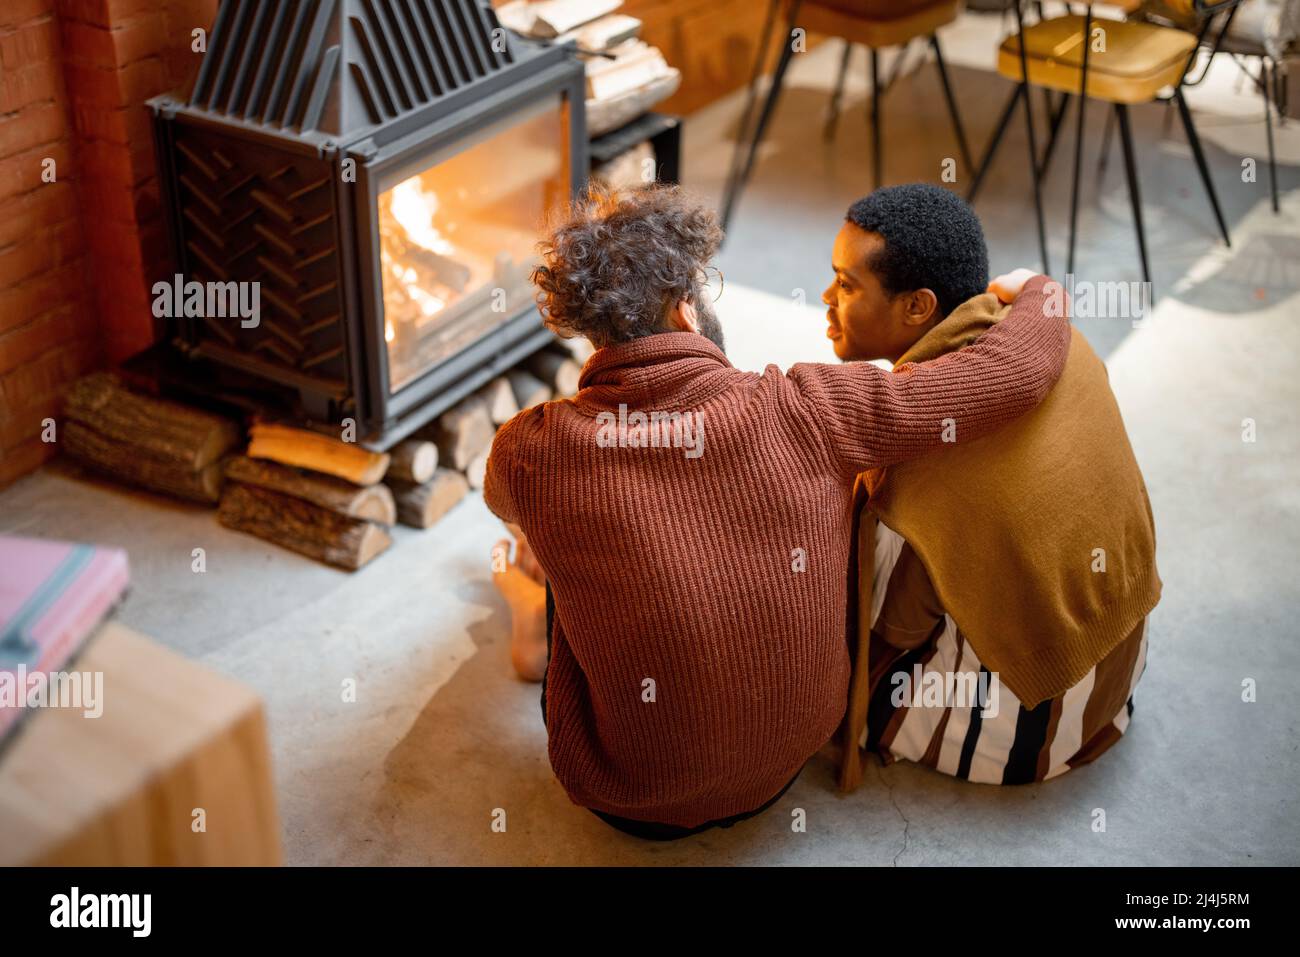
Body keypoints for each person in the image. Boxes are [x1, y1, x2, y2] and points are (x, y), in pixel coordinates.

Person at [484, 183, 1070, 839]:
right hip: (783, 767)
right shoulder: (812, 406)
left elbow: (501, 503)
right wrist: (1044, 291)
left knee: (559, 546)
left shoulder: (530, 449)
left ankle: (531, 613)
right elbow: (1014, 374)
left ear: (592, 331)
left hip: (632, 802)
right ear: (685, 311)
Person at [821, 184, 1161, 788]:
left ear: (919, 308)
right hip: (1116, 660)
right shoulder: (1059, 336)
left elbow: (893, 626)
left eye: (847, 286)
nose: (825, 299)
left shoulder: (915, 459)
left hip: (1030, 729)